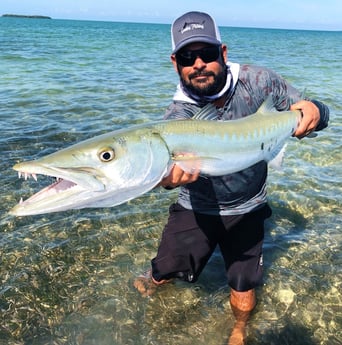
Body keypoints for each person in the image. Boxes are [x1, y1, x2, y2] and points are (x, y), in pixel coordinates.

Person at [134, 11, 329, 345]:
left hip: (249, 207)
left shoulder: (260, 81)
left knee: (243, 286)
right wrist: (165, 180)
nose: (198, 63)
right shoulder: (178, 116)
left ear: (222, 53)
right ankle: (149, 291)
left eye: (207, 54)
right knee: (163, 270)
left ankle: (239, 329)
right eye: (186, 56)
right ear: (175, 63)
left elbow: (315, 115)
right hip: (196, 208)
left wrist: (315, 110)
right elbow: (159, 175)